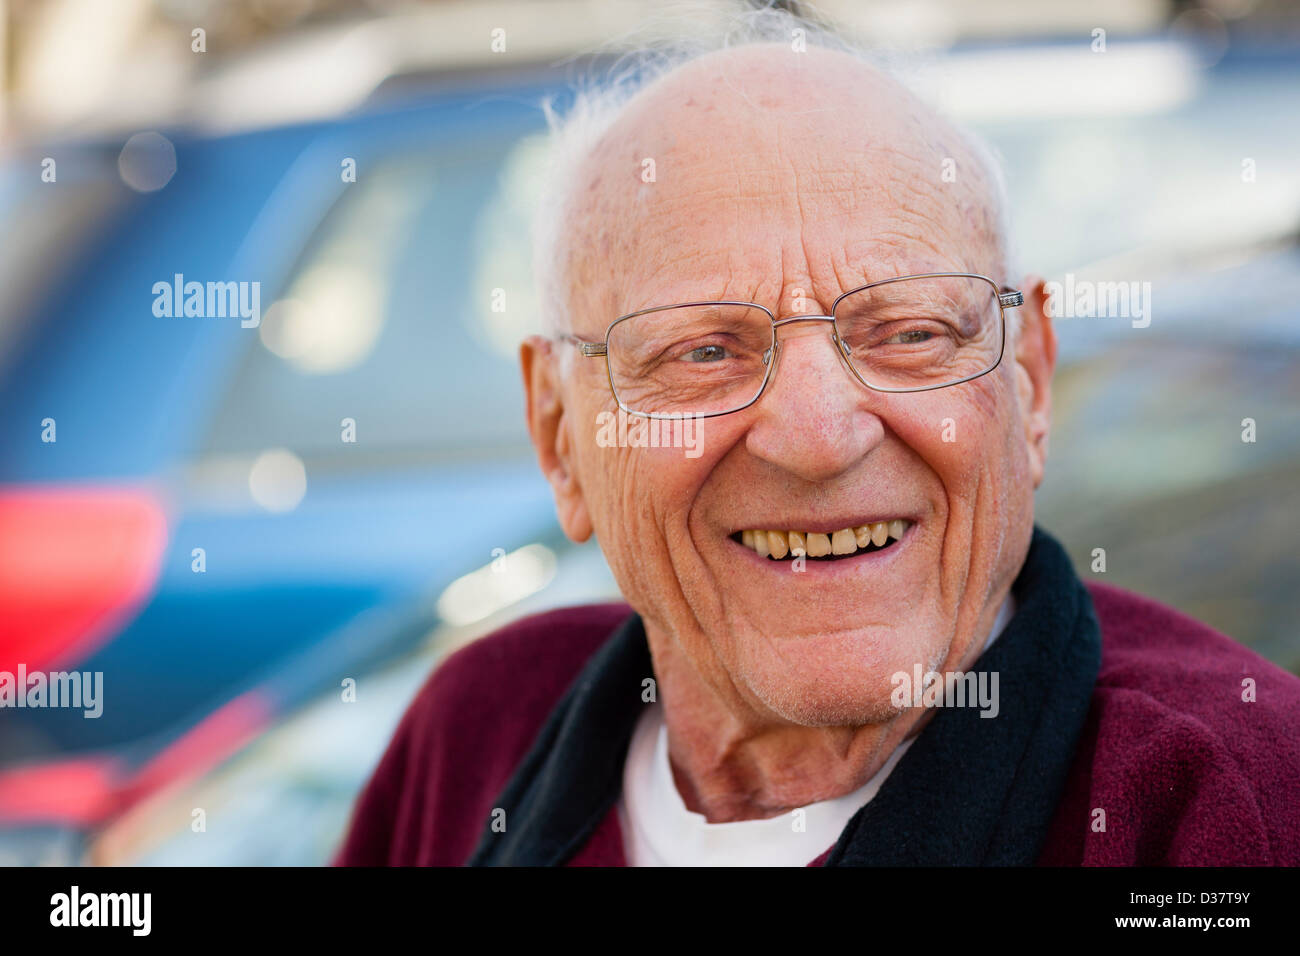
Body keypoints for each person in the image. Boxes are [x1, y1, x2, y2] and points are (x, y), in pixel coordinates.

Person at [336, 10, 1300, 867]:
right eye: (704, 350)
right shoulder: (479, 730)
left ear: (1032, 382)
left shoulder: (1233, 800)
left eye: (913, 334)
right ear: (558, 434)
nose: (816, 437)